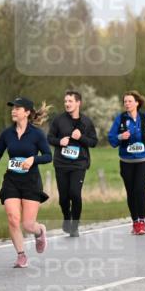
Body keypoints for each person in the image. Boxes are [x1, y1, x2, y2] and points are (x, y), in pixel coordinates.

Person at [0, 97, 52, 268]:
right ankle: (21, 255)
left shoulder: (37, 134)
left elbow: (48, 156)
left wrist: (33, 159)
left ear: (27, 112)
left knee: (28, 224)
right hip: (12, 180)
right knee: (12, 218)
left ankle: (39, 232)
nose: (14, 111)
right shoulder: (7, 134)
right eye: (13, 108)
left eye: (18, 108)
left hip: (31, 181)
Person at [108, 91, 145, 235]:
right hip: (126, 161)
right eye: (125, 101)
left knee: (139, 189)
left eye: (130, 101)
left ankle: (142, 222)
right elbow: (111, 139)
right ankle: (135, 222)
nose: (127, 104)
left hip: (144, 159)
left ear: (137, 103)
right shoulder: (120, 119)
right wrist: (121, 136)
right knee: (131, 192)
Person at [47, 90, 98, 237]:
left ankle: (74, 225)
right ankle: (66, 217)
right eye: (65, 101)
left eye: (70, 101)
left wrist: (81, 137)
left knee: (75, 194)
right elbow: (49, 138)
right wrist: (59, 141)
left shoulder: (86, 122)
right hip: (61, 164)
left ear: (78, 103)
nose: (67, 104)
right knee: (64, 197)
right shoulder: (58, 120)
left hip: (79, 164)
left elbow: (93, 142)